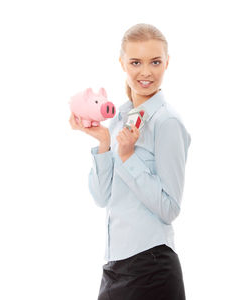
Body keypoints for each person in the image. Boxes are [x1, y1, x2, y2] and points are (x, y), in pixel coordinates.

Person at [69, 23, 191, 300]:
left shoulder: (167, 122)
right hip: (115, 266)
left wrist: (128, 157)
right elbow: (102, 197)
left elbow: (170, 209)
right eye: (136, 62)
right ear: (122, 62)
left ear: (167, 63)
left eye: (155, 62)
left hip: (152, 267)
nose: (146, 72)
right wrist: (103, 144)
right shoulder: (119, 120)